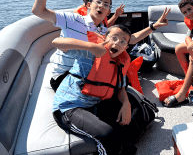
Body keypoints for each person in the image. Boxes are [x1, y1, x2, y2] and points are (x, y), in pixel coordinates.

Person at [31, 0, 170, 91]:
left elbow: (131, 39)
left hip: (86, 74)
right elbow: (38, 11)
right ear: (89, 5)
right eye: (98, 2)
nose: (102, 6)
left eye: (106, 5)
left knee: (118, 86)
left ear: (108, 12)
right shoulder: (72, 19)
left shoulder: (104, 31)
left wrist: (154, 26)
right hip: (64, 75)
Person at [52, 24, 137, 155]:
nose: (117, 43)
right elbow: (57, 42)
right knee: (107, 135)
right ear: (105, 38)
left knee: (129, 127)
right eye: (114, 38)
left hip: (95, 104)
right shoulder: (88, 52)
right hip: (69, 107)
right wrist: (90, 46)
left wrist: (126, 104)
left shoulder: (120, 64)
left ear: (126, 47)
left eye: (122, 41)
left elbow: (121, 89)